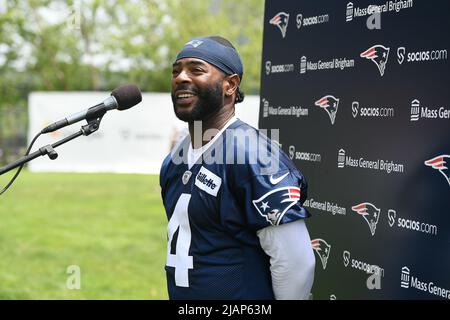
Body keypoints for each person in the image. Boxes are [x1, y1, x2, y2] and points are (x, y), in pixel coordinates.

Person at [159, 36, 315, 299]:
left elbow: (296, 263)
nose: (181, 78)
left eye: (196, 70)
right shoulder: (175, 158)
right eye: (176, 71)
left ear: (230, 85)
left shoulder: (252, 155)